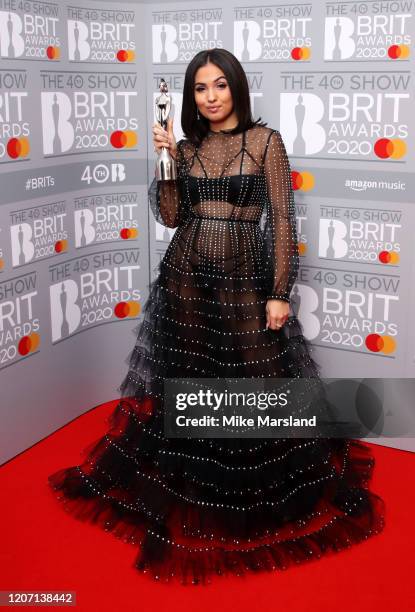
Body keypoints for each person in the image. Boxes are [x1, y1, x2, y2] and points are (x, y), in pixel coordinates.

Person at [48, 48, 385, 585]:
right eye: (200, 88)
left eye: (220, 86)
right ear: (191, 97)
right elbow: (172, 216)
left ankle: (258, 488)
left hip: (246, 278)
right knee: (189, 381)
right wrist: (165, 164)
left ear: (237, 89)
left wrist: (280, 291)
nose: (210, 97)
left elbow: (281, 221)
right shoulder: (185, 148)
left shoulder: (264, 142)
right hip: (185, 273)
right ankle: (196, 483)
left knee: (258, 376)